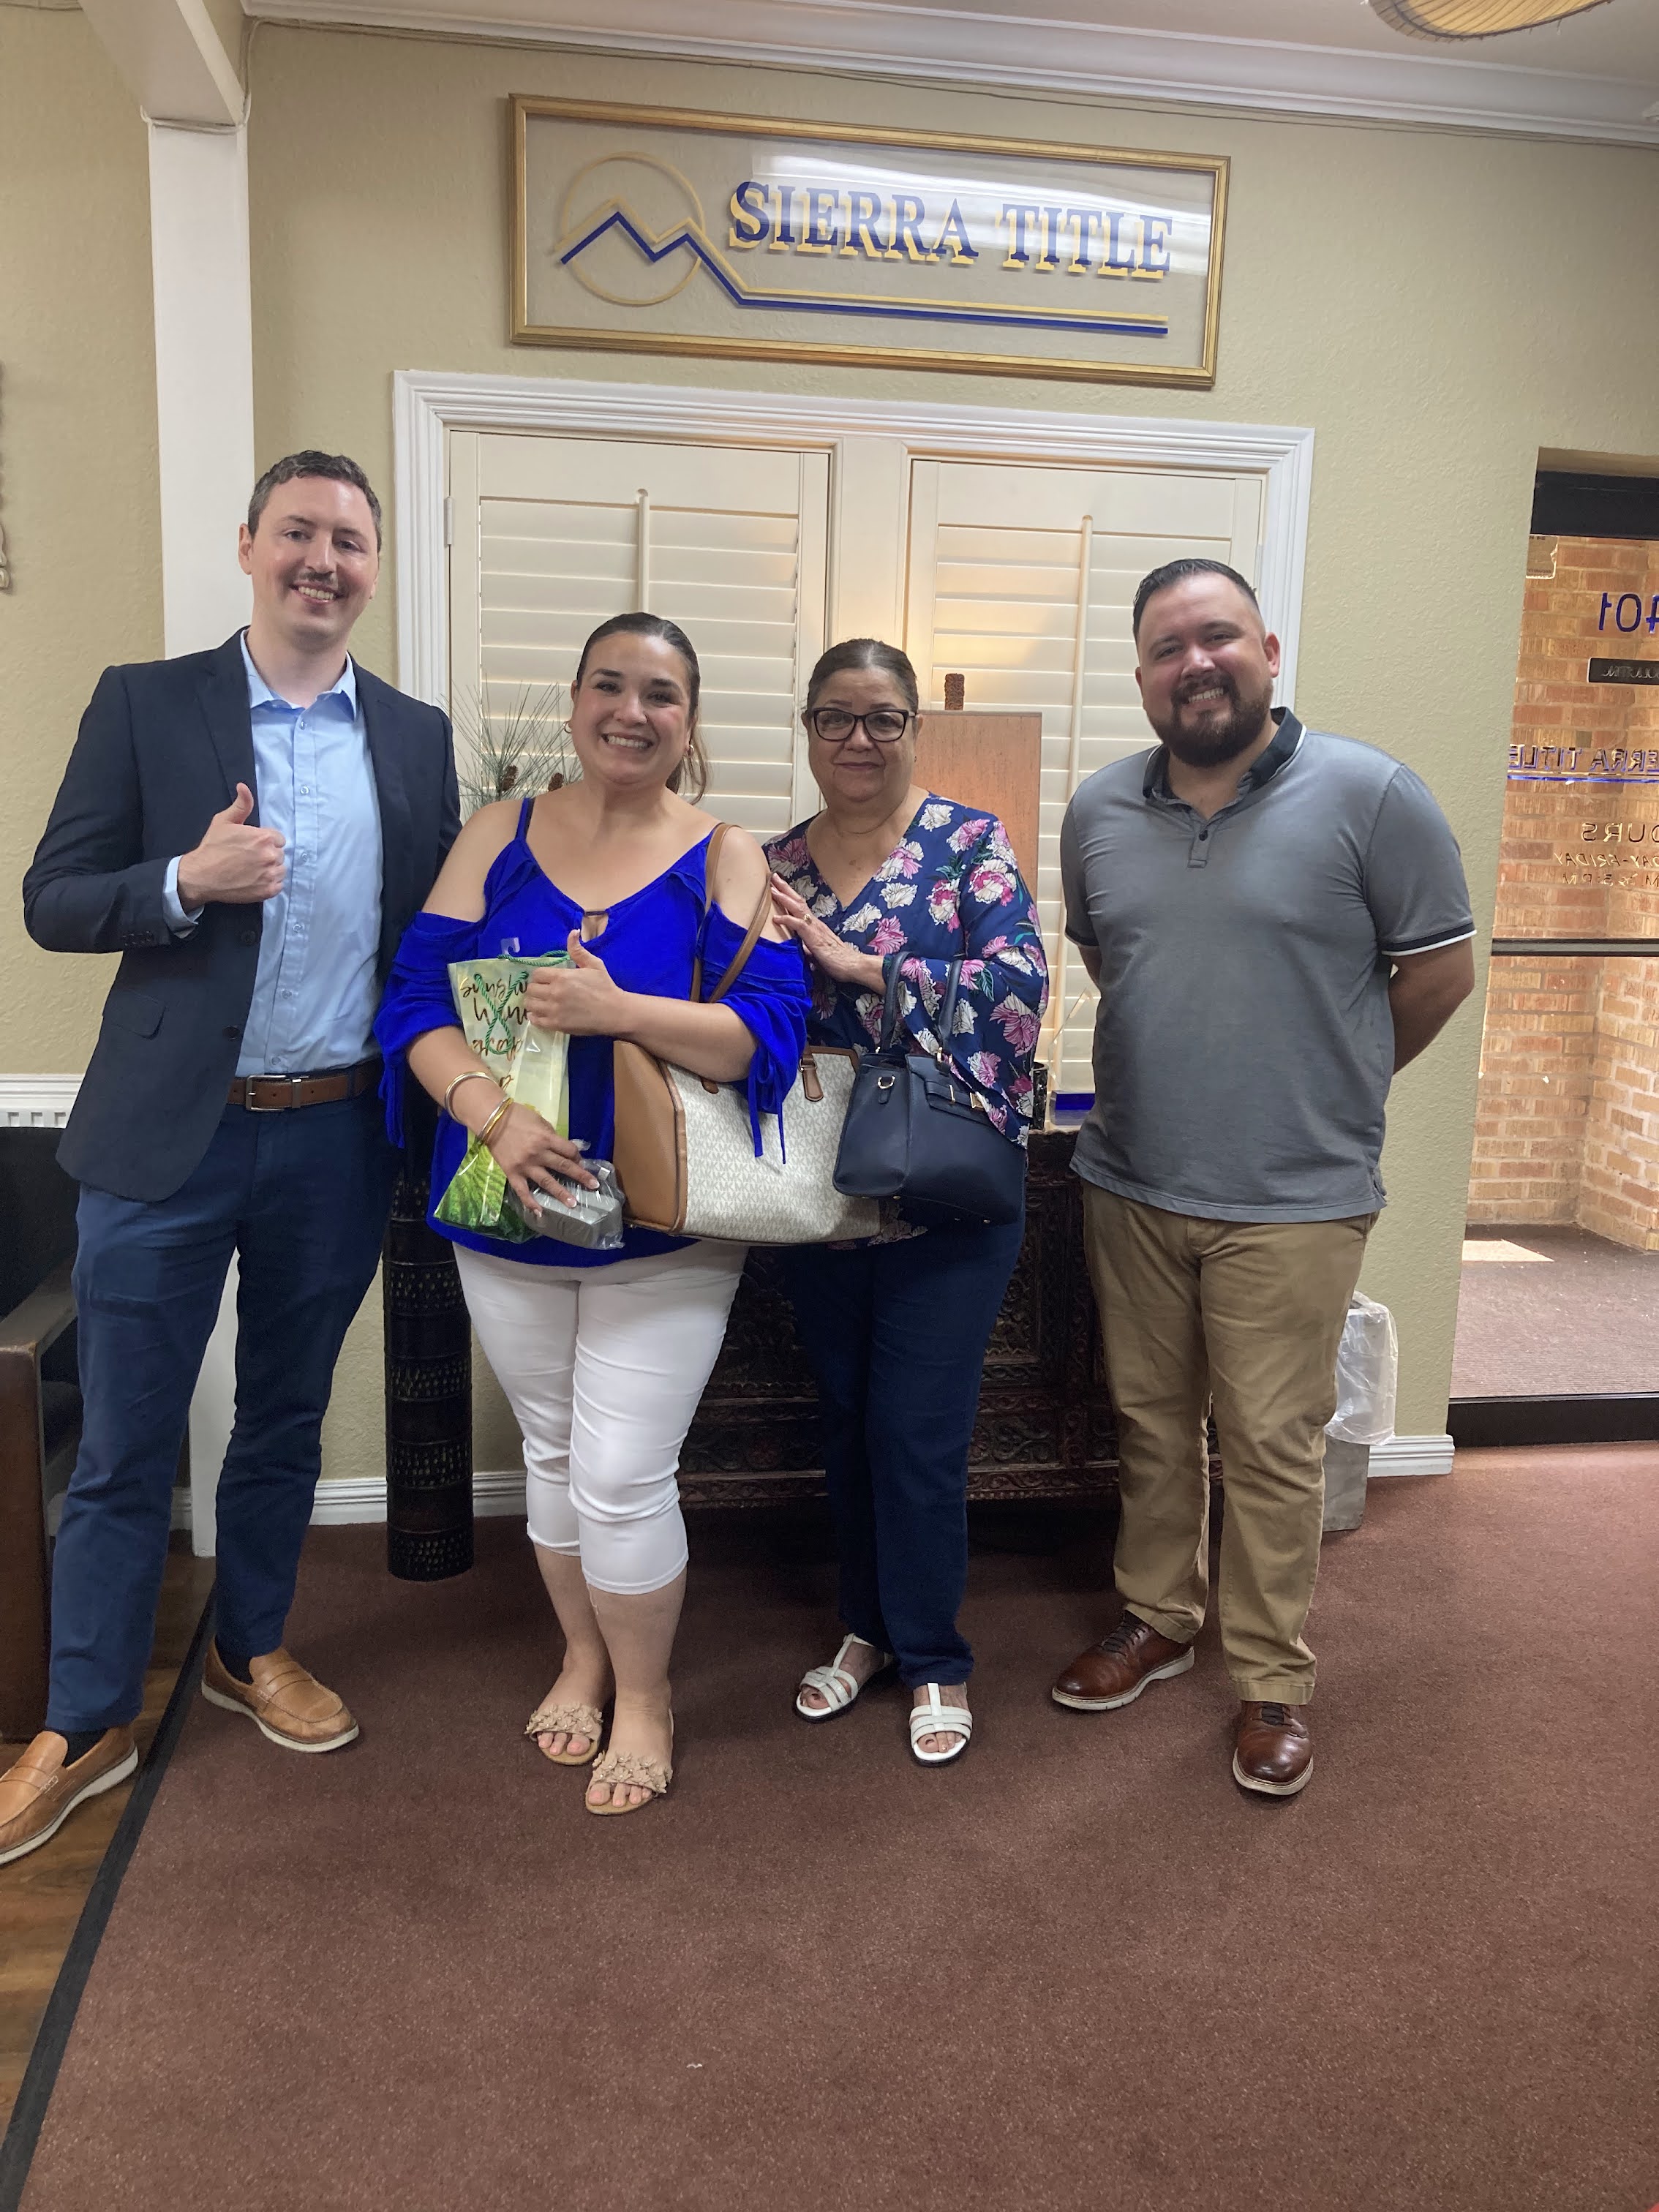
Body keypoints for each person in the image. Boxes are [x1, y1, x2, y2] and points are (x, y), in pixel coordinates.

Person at [1, 452, 459, 1867]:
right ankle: (83, 1724)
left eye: (350, 542)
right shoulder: (147, 702)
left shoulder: (416, 736)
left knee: (283, 1420)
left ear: (374, 567)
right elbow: (53, 899)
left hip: (336, 1135)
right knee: (128, 1439)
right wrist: (180, 884)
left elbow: (433, 936)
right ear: (249, 545)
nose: (325, 561)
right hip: (165, 1141)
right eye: (299, 533)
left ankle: (246, 1648)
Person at [1049, 557, 1475, 1798]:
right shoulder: (1098, 811)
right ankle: (1159, 1617)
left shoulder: (1372, 794)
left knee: (1274, 1445)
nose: (1197, 664)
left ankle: (1272, 1678)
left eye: (1219, 637)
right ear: (1142, 676)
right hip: (1130, 1179)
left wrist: (1334, 1080)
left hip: (1295, 1199)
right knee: (1151, 1425)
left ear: (1269, 652)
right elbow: (1114, 959)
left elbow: (1439, 974)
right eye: (1167, 648)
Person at [376, 613, 807, 1816]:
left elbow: (766, 1036)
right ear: (574, 704)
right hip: (505, 1211)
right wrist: (494, 1119)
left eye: (660, 694)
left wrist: (622, 1011)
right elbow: (414, 1003)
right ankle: (583, 1656)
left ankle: (648, 1697)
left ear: (689, 721)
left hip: (662, 1231)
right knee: (555, 1453)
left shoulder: (726, 854)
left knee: (623, 1471)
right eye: (609, 686)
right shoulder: (498, 835)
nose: (632, 711)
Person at [766, 640, 1047, 1767]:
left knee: (918, 1432)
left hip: (949, 1196)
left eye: (883, 718)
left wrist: (862, 966)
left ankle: (935, 1654)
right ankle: (867, 1629)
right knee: (845, 1422)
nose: (859, 739)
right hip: (820, 1195)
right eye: (836, 717)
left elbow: (1020, 993)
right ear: (808, 728)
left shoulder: (969, 845)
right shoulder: (771, 865)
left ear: (913, 730)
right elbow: (737, 1009)